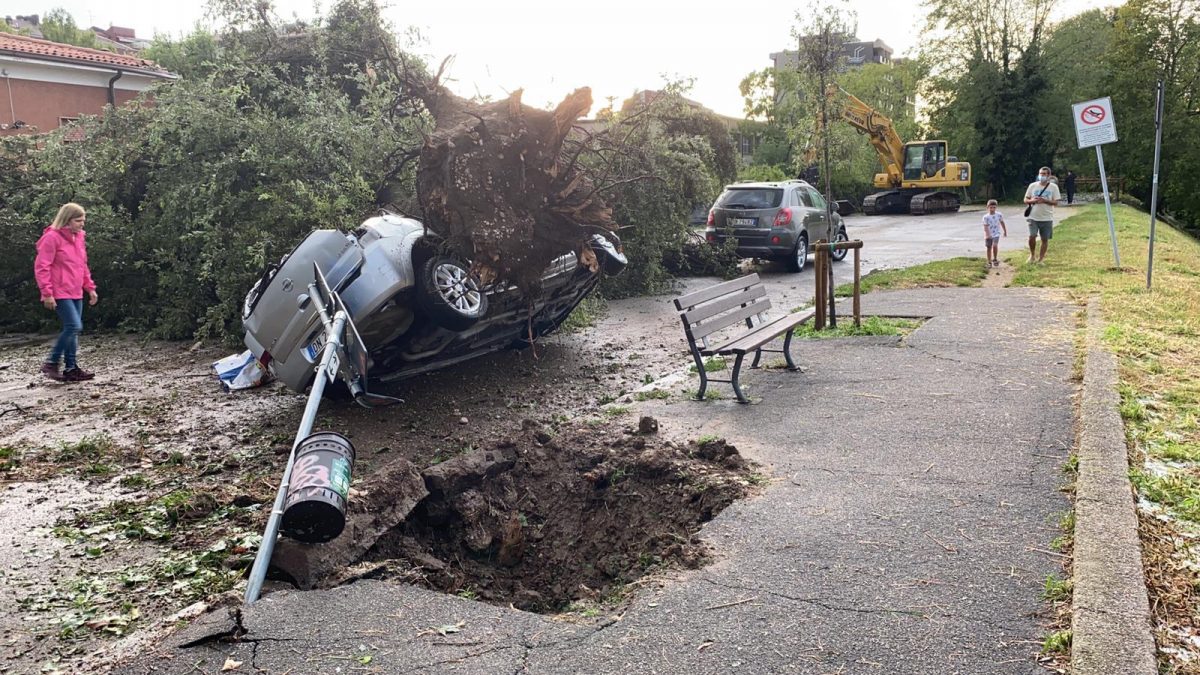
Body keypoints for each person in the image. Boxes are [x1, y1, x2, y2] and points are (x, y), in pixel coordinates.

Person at [34, 202, 98, 382]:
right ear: (67, 220)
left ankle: (71, 368)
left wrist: (90, 288)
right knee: (73, 326)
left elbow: (82, 265)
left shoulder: (79, 238)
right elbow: (42, 266)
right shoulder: (52, 238)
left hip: (75, 289)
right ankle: (51, 363)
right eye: (78, 220)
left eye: (83, 220)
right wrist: (47, 293)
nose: (82, 224)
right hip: (58, 290)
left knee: (73, 330)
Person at [1024, 166, 1061, 264]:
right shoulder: (1032, 186)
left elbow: (1056, 202)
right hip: (1033, 216)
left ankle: (1041, 259)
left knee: (1044, 239)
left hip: (1046, 217)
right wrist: (1033, 200)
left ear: (1049, 175)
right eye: (1040, 174)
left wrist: (1045, 200)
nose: (1042, 176)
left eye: (1044, 174)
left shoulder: (1053, 187)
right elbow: (1026, 199)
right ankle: (1032, 255)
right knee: (1032, 236)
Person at [982, 199, 1007, 268]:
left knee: (995, 245)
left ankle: (995, 258)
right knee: (988, 247)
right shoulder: (985, 217)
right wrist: (987, 234)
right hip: (989, 234)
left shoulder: (999, 215)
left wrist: (1005, 231)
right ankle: (989, 261)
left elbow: (1002, 222)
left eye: (994, 207)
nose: (992, 209)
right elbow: (985, 226)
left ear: (996, 207)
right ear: (988, 207)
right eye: (991, 207)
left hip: (996, 233)